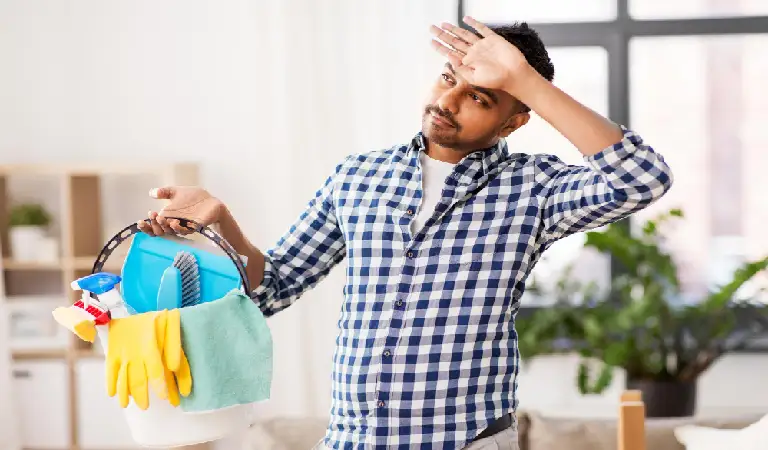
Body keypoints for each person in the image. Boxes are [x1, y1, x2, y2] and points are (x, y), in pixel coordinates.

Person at [139, 16, 673, 450]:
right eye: (448, 79)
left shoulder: (533, 190)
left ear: (514, 121)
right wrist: (221, 221)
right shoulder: (357, 175)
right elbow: (270, 287)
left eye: (481, 98)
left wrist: (523, 80)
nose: (448, 101)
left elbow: (641, 178)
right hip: (354, 442)